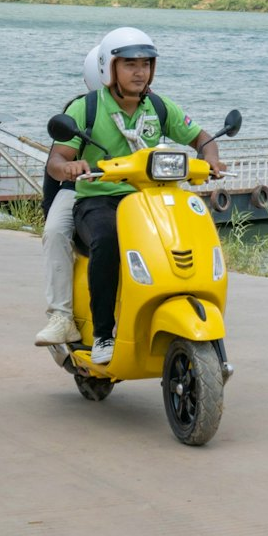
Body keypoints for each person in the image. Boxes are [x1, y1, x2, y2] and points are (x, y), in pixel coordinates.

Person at [45, 27, 224, 364]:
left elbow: (202, 136)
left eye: (146, 63)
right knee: (108, 239)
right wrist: (69, 168)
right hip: (99, 198)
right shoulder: (86, 108)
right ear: (109, 68)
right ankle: (102, 335)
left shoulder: (159, 106)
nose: (139, 71)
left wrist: (210, 157)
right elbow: (56, 160)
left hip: (150, 198)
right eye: (129, 64)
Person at [34, 46, 100, 346]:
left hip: (135, 189)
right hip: (80, 187)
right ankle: (61, 315)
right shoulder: (82, 108)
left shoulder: (151, 107)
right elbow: (55, 163)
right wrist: (50, 208)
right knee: (56, 232)